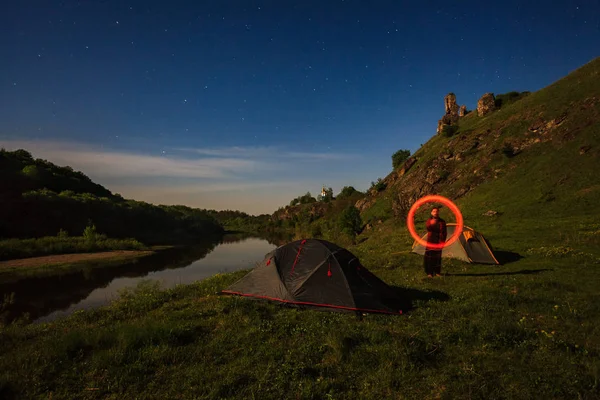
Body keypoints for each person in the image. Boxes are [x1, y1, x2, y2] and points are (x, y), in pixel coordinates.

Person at [424, 206, 447, 278]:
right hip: (431, 242)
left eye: (437, 211)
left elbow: (444, 232)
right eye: (434, 211)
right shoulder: (429, 221)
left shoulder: (442, 221)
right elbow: (428, 227)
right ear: (431, 213)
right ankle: (429, 273)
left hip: (439, 241)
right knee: (429, 257)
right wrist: (432, 223)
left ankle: (437, 272)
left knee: (438, 257)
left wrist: (443, 241)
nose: (435, 213)